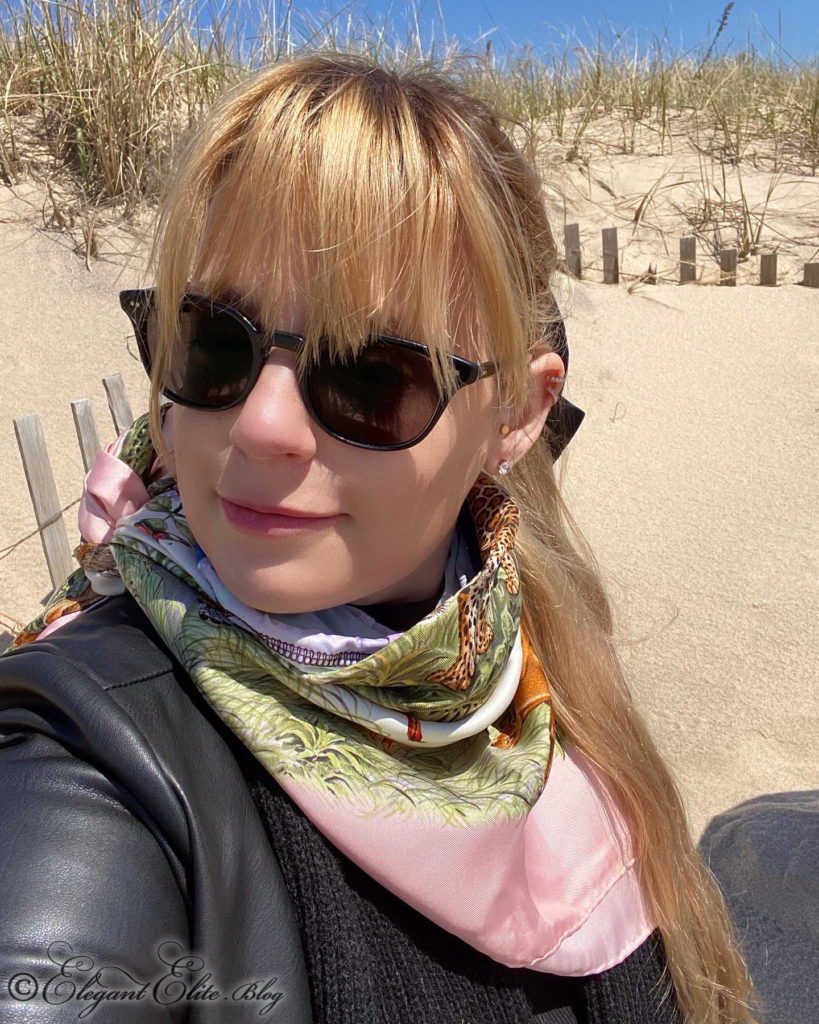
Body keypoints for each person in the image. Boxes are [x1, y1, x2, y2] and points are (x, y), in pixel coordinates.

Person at [0, 54, 754, 1023]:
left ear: (518, 414)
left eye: (368, 374)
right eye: (217, 343)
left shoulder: (540, 677)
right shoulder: (85, 747)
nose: (263, 425)